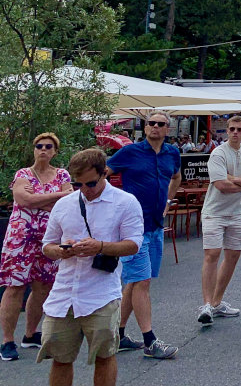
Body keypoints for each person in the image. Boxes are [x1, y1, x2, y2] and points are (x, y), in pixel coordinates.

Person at [37, 148, 144, 386]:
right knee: (60, 359)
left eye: (91, 183)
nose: (85, 190)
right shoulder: (64, 204)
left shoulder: (126, 202)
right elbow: (47, 246)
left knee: (104, 357)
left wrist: (101, 246)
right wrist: (64, 250)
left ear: (105, 173)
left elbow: (133, 244)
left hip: (101, 293)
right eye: (78, 185)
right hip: (63, 294)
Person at [105, 111, 180, 359]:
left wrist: (168, 200)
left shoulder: (172, 153)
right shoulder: (130, 152)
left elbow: (176, 176)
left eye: (161, 123)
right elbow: (101, 174)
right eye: (151, 123)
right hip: (132, 229)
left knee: (136, 281)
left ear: (167, 128)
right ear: (145, 127)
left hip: (155, 225)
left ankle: (118, 334)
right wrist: (111, 205)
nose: (155, 127)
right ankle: (150, 341)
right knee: (143, 281)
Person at [0, 133, 73, 361]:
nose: (42, 149)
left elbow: (66, 203)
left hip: (48, 238)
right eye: (38, 146)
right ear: (34, 150)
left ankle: (30, 334)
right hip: (20, 238)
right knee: (15, 287)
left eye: (48, 146)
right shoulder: (23, 174)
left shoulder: (62, 174)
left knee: (43, 286)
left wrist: (42, 198)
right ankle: (7, 341)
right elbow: (23, 201)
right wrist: (56, 196)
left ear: (55, 151)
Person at [197, 115, 241, 326]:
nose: (235, 132)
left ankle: (216, 303)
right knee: (212, 254)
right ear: (226, 131)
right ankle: (206, 304)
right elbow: (221, 186)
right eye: (232, 129)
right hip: (214, 211)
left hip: (236, 213)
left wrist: (233, 179)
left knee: (233, 255)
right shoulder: (218, 153)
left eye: (239, 129)